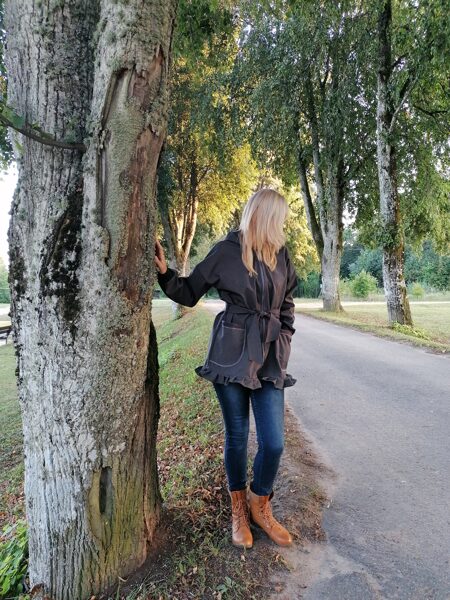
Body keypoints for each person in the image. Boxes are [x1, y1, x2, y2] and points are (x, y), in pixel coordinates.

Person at [154, 188, 298, 549]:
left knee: (274, 443)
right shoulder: (226, 251)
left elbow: (288, 303)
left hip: (269, 358)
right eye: (278, 218)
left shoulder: (282, 256)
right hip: (231, 354)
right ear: (265, 217)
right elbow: (189, 292)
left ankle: (259, 502)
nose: (281, 226)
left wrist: (284, 337)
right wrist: (165, 274)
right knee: (237, 436)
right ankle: (238, 509)